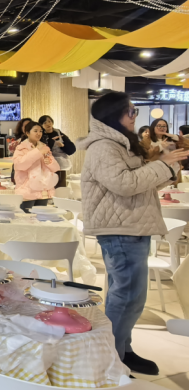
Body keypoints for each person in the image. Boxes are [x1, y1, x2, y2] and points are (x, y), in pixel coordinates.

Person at [79, 92, 187, 374]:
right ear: (113, 114)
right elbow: (124, 184)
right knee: (127, 295)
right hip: (120, 229)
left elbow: (140, 186)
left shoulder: (121, 145)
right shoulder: (104, 147)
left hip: (130, 224)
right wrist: (162, 164)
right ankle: (110, 357)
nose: (134, 116)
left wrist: (167, 162)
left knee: (131, 296)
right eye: (130, 111)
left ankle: (121, 349)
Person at [13, 121, 60, 212]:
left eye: (40, 131)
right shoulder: (21, 148)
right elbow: (20, 164)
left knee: (41, 217)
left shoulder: (44, 147)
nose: (39, 133)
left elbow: (56, 168)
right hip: (27, 190)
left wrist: (50, 162)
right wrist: (38, 152)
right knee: (26, 217)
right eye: (35, 131)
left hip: (43, 190)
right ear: (27, 133)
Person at [38, 115, 76, 187]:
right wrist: (52, 143)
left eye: (49, 121)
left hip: (61, 165)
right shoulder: (41, 136)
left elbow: (72, 150)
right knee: (49, 186)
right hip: (47, 165)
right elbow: (40, 150)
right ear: (41, 125)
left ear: (52, 122)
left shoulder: (59, 133)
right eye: (45, 123)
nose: (48, 124)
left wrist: (63, 146)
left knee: (61, 186)